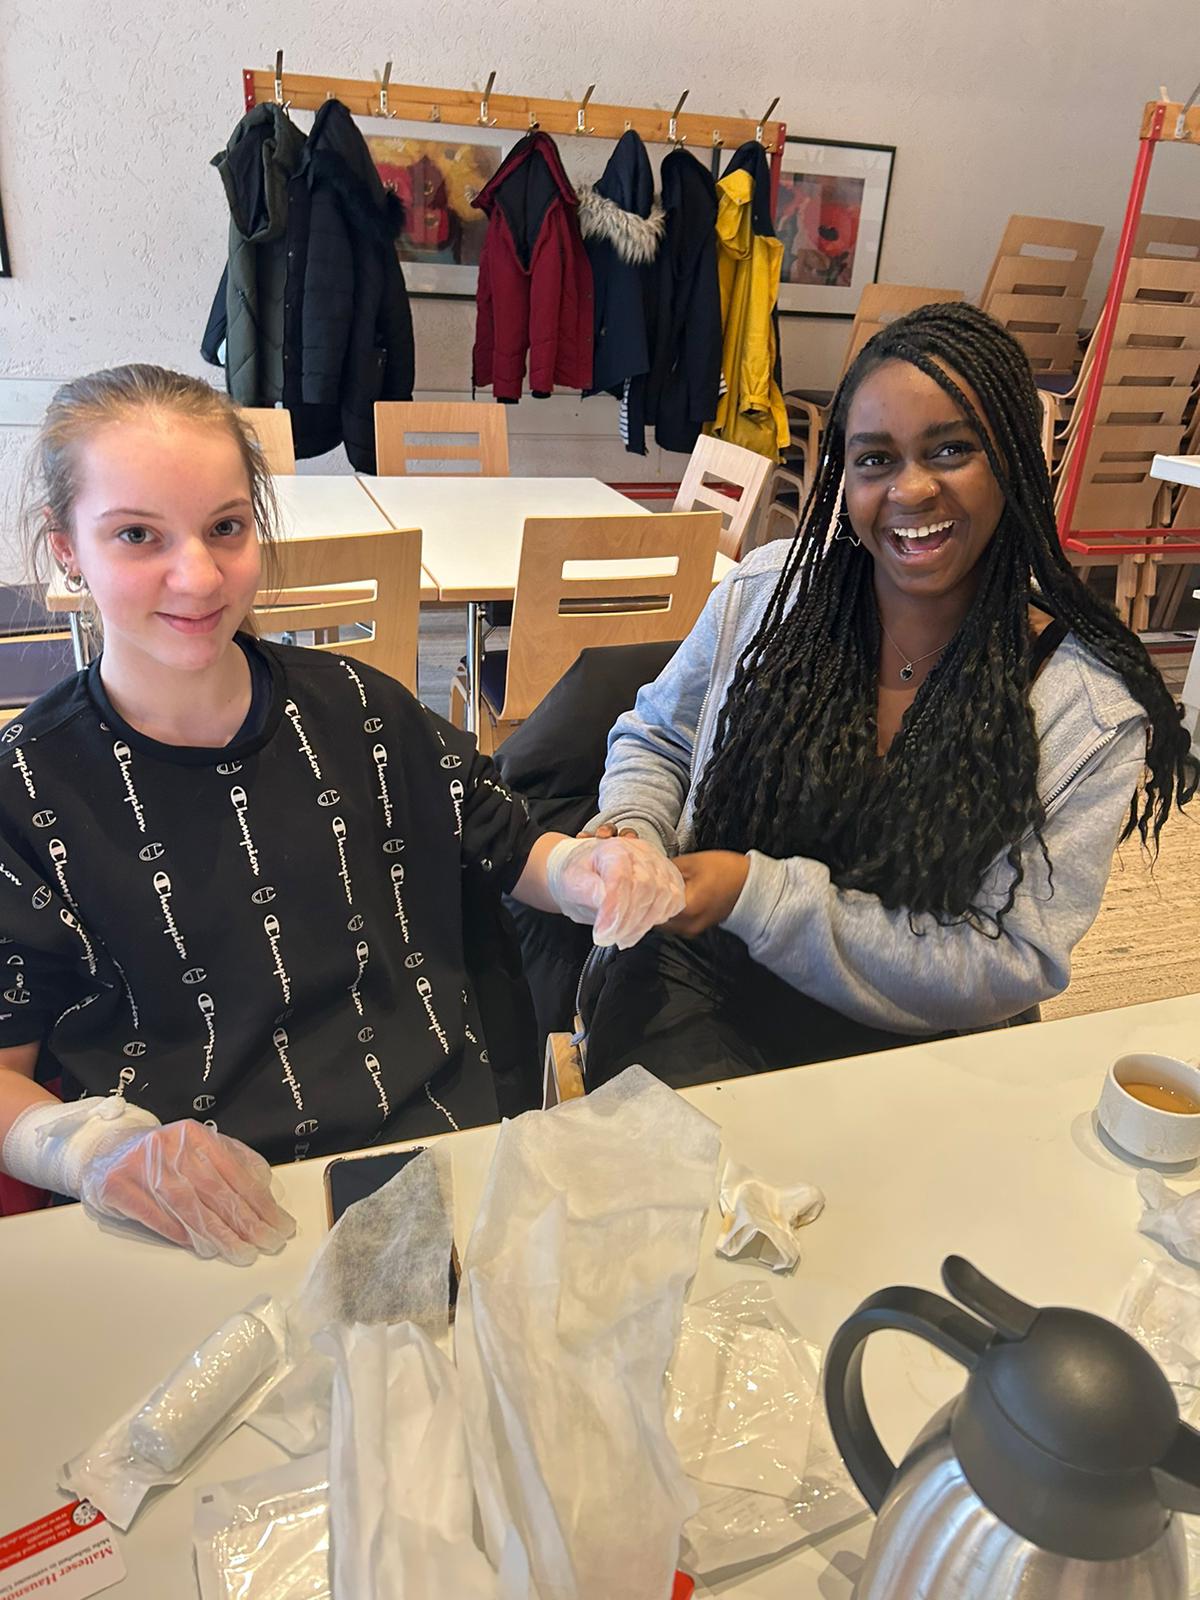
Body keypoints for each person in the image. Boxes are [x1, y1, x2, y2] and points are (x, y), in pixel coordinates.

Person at [0, 365, 684, 1261]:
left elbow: (511, 845)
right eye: (137, 535)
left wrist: (594, 869)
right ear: (65, 549)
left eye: (226, 527)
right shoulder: (29, 788)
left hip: (434, 1152)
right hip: (182, 1212)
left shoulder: (358, 707)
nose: (197, 576)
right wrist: (94, 1151)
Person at [583, 302, 1198, 1086]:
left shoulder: (1084, 706)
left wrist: (757, 895)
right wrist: (636, 834)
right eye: (875, 459)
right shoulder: (768, 596)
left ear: (1015, 459)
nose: (910, 489)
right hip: (707, 983)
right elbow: (662, 739)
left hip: (927, 1040)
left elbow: (1011, 956)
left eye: (951, 450)